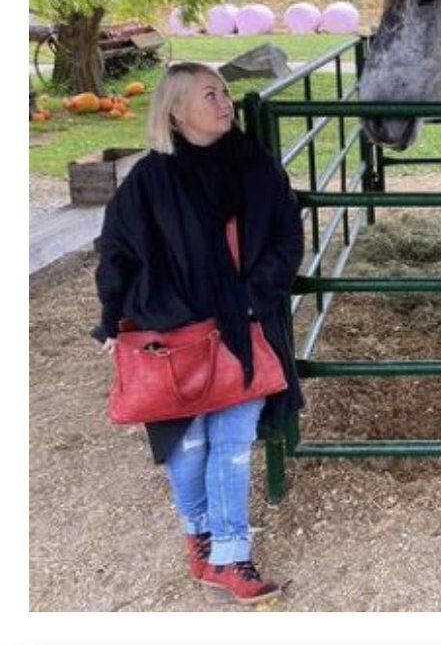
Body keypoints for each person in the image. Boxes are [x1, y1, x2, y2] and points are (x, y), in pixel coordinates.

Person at [92, 62, 304, 605]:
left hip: (245, 328)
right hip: (174, 335)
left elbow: (286, 230)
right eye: (210, 94)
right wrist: (113, 315)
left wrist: (261, 287)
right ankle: (200, 536)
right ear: (175, 110)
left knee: (232, 446)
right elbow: (116, 250)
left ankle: (231, 558)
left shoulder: (255, 166)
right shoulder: (149, 181)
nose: (224, 102)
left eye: (225, 93)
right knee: (188, 448)